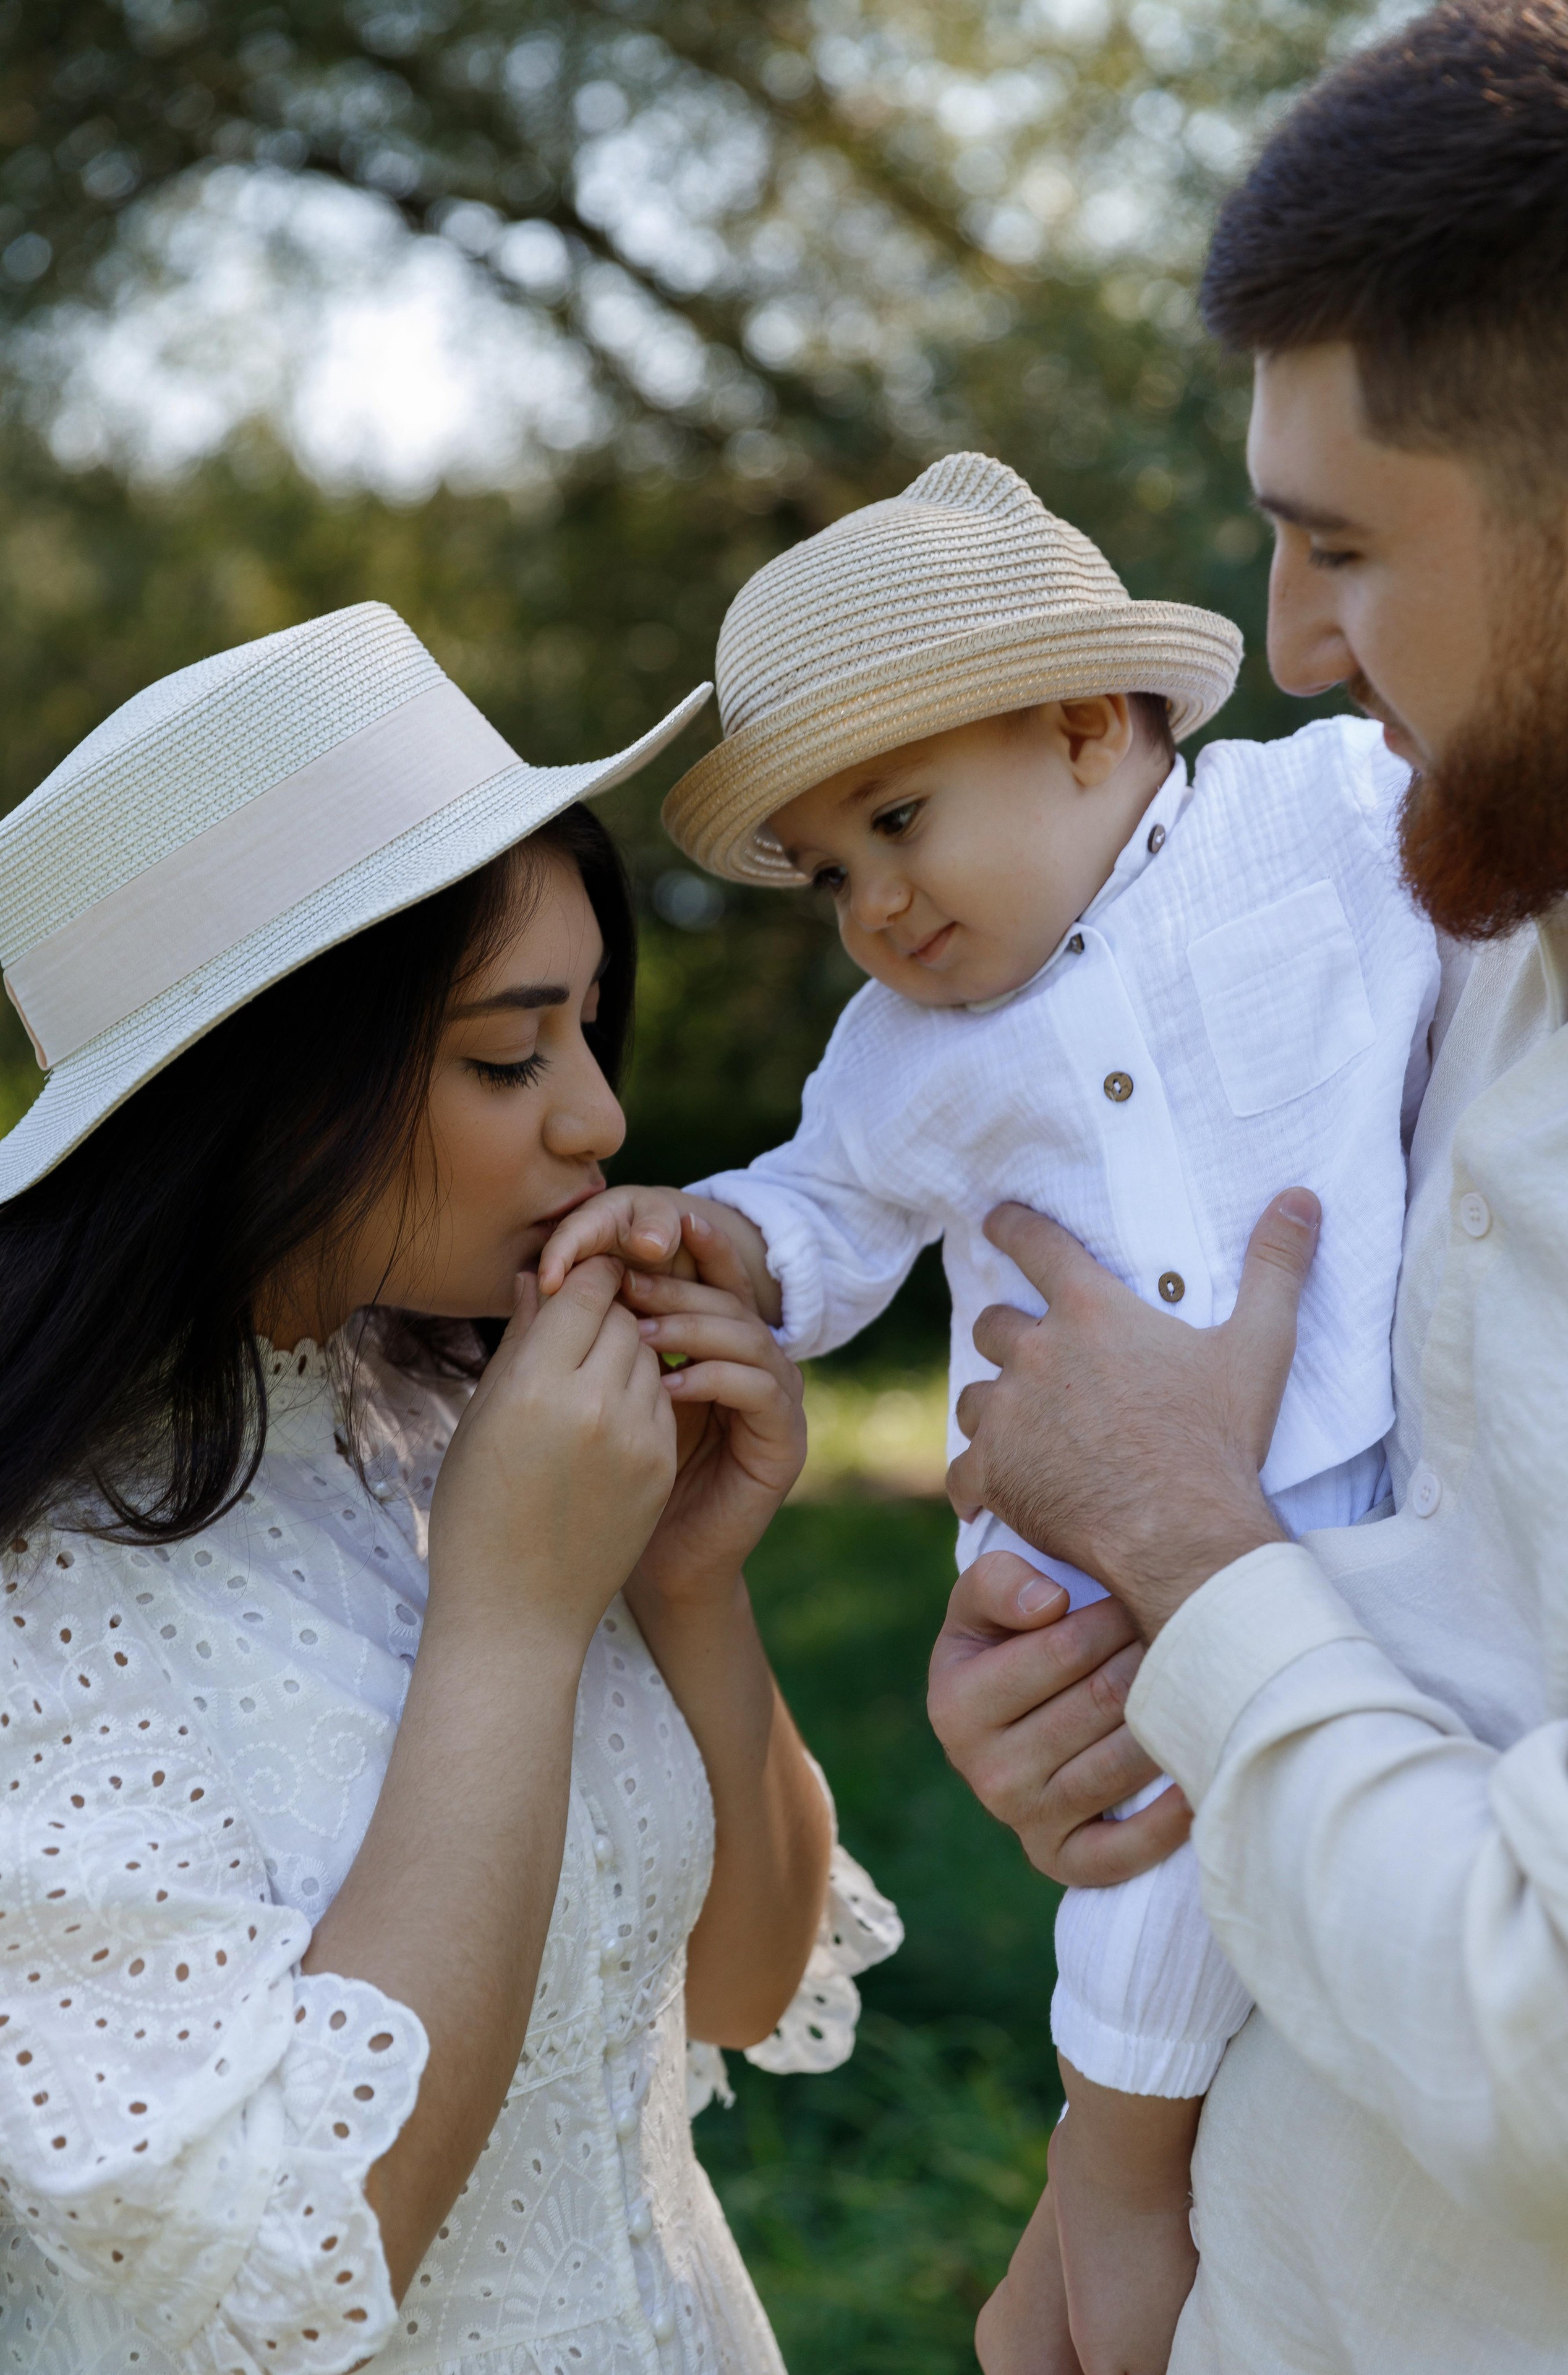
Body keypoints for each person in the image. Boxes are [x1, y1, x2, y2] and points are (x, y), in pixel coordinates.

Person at [532, 456, 1439, 2374]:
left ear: (1090, 725)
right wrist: (722, 1237)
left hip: (1367, 1456)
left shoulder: (1322, 816)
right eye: (831, 868)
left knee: (1348, 1822)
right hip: (1094, 1552)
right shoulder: (900, 1061)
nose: (873, 903)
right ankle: (1111, 2173)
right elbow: (823, 1214)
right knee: (1147, 1843)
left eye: (900, 819)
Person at [0, 601, 901, 2374]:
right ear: (266, 1097)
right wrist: (509, 1620)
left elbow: (729, 1984)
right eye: (512, 1053)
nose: (598, 1122)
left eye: (586, 1030)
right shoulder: (47, 1597)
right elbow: (290, 2278)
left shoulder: (435, 1405)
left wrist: (688, 1584)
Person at [929, 0, 1568, 2366]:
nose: (1296, 648)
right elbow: (1445, 1610)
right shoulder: (1454, 949)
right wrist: (1116, 1671)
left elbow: (1556, 2050)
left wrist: (1195, 1560)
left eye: (1341, 549)